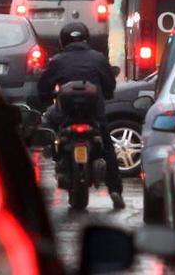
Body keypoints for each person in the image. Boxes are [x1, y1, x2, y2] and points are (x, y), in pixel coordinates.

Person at [37, 22, 125, 209]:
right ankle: (115, 190)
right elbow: (110, 84)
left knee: (49, 128)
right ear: (86, 38)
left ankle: (55, 155)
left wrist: (44, 98)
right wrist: (105, 94)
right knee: (107, 146)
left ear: (63, 40)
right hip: (94, 115)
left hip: (66, 116)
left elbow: (43, 87)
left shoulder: (58, 60)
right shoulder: (98, 58)